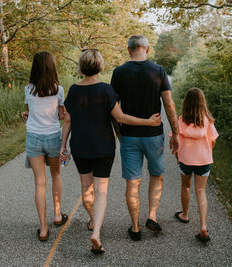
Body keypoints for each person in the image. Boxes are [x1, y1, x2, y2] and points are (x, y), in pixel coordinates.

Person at [60, 49, 161, 254]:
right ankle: (96, 232)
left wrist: (63, 146)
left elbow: (67, 120)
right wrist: (148, 122)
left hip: (80, 147)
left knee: (86, 188)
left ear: (81, 68)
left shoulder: (73, 90)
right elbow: (121, 118)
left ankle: (92, 219)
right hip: (103, 147)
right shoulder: (106, 90)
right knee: (101, 191)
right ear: (100, 66)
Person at [110, 35, 180, 241]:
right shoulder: (158, 71)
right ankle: (152, 216)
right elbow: (169, 105)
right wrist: (176, 133)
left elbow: (113, 109)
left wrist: (119, 134)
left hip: (129, 136)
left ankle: (135, 227)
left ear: (128, 49)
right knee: (156, 176)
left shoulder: (119, 73)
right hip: (154, 136)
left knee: (133, 183)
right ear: (147, 49)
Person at [22, 51, 68, 242]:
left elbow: (30, 112)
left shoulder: (28, 89)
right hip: (52, 137)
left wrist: (25, 116)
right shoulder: (59, 90)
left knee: (39, 182)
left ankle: (43, 228)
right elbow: (61, 115)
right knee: (56, 175)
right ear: (52, 67)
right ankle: (57, 215)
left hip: (33, 137)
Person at [172, 88, 219, 242]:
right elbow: (212, 140)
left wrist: (177, 155)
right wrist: (207, 150)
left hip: (186, 160)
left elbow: (175, 140)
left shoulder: (181, 120)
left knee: (185, 186)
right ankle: (203, 227)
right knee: (201, 190)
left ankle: (185, 214)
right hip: (204, 160)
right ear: (202, 103)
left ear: (186, 103)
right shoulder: (207, 120)